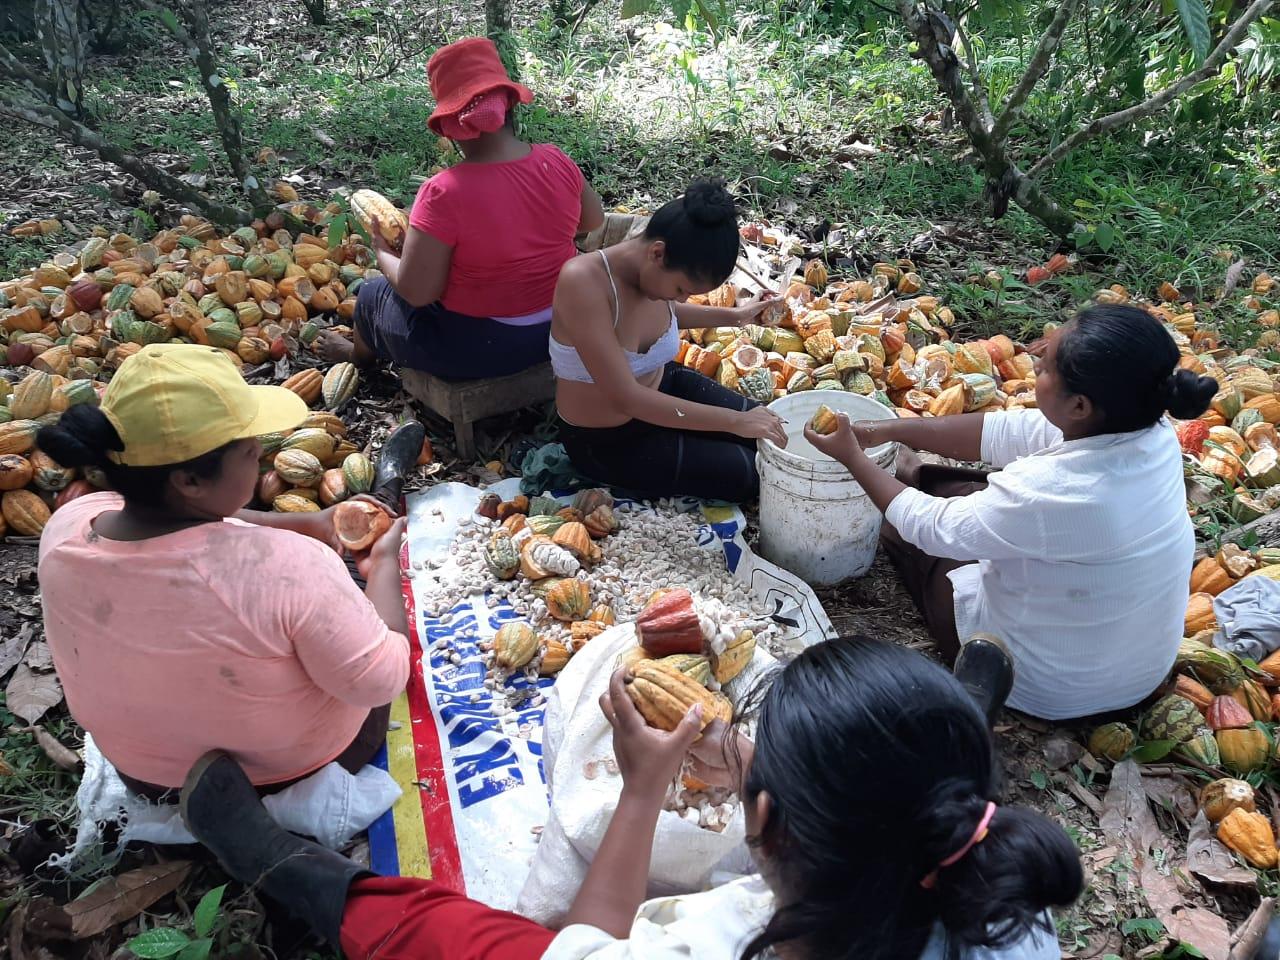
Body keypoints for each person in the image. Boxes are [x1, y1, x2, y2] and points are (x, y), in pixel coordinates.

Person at [178, 636, 1082, 959]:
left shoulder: (711, 943)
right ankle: (943, 721)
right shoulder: (1001, 893)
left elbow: (590, 938)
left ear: (759, 824)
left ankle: (291, 876)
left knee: (466, 939)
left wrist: (643, 790)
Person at [805, 304, 1219, 721]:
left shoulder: (1058, 492)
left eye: (1044, 367)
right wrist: (889, 429)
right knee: (961, 491)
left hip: (1039, 683)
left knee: (906, 530)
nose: (1034, 358)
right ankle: (911, 471)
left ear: (1078, 406)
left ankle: (908, 477)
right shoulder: (1148, 428)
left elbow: (931, 528)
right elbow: (1007, 432)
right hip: (1136, 675)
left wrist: (853, 458)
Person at [36, 344, 412, 800]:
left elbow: (209, 523)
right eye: (250, 450)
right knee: (355, 597)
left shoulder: (67, 529)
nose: (260, 450)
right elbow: (382, 682)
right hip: (291, 772)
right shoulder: (289, 568)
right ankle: (389, 491)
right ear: (190, 481)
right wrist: (384, 566)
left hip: (147, 777)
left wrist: (309, 523)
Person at [319, 36, 605, 378]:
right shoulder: (556, 160)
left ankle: (358, 357)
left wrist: (382, 251)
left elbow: (418, 292)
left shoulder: (443, 191)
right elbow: (592, 220)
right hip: (565, 326)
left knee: (371, 295)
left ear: (452, 129)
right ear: (510, 107)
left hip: (481, 349)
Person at [551, 179, 787, 503]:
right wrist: (736, 422)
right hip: (609, 439)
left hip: (665, 386)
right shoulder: (582, 282)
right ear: (657, 253)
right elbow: (627, 398)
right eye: (681, 289)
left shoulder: (654, 276)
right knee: (760, 474)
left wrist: (736, 316)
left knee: (775, 433)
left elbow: (667, 311)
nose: (683, 297)